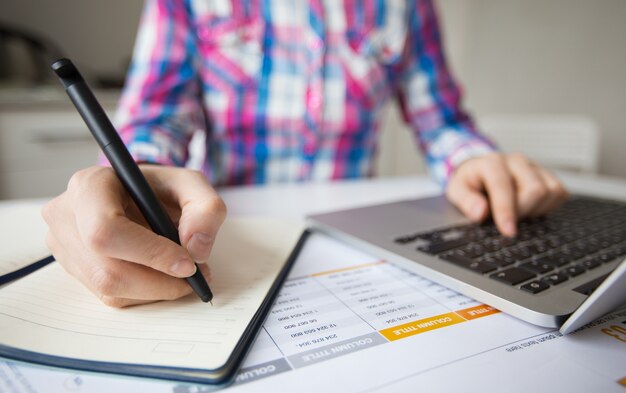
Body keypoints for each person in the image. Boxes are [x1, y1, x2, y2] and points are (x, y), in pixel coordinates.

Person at [43, 0, 567, 307]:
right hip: (228, 239)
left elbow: (442, 122)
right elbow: (157, 118)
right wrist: (131, 179)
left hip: (354, 244)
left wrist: (471, 159)